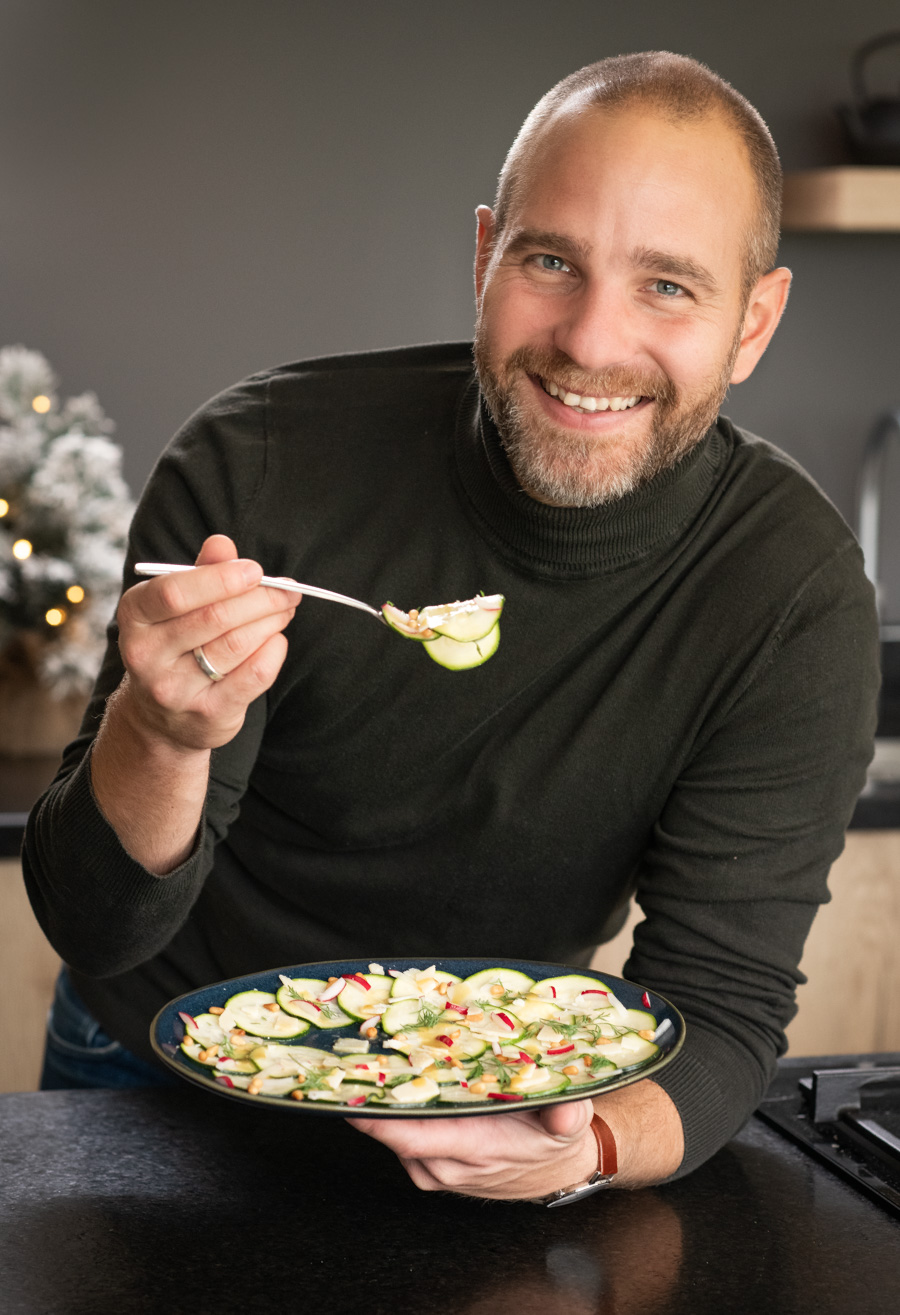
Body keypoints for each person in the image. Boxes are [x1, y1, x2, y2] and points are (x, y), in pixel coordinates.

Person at [24, 51, 878, 1201]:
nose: (589, 340)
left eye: (668, 286)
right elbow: (95, 924)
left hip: (495, 1101)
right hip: (157, 1084)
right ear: (485, 258)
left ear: (753, 320)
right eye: (549, 260)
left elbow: (721, 1009)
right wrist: (164, 734)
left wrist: (589, 1146)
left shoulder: (792, 590)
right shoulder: (259, 466)